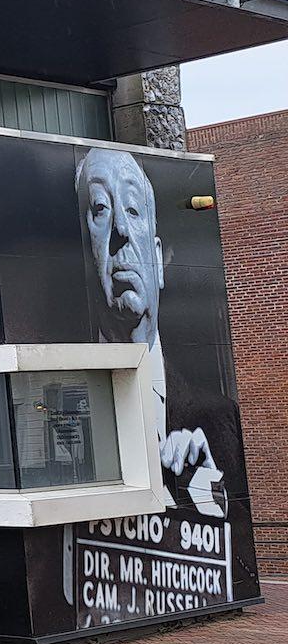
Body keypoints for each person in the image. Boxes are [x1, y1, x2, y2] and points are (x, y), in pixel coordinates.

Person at [76, 147, 222, 514]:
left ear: (157, 261)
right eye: (99, 209)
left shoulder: (222, 420)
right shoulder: (64, 413)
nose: (121, 231)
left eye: (133, 209)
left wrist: (211, 497)